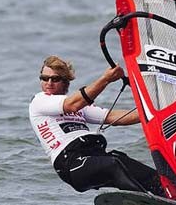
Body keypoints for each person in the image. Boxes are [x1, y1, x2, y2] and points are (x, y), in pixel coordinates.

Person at [29, 55, 165, 196]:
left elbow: (114, 117)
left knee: (133, 167)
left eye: (55, 79)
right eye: (44, 78)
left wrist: (158, 112)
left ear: (65, 82)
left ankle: (174, 197)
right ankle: (145, 201)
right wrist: (106, 79)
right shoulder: (40, 101)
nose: (49, 83)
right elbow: (72, 104)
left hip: (93, 156)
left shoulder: (79, 107)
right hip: (71, 164)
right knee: (114, 165)